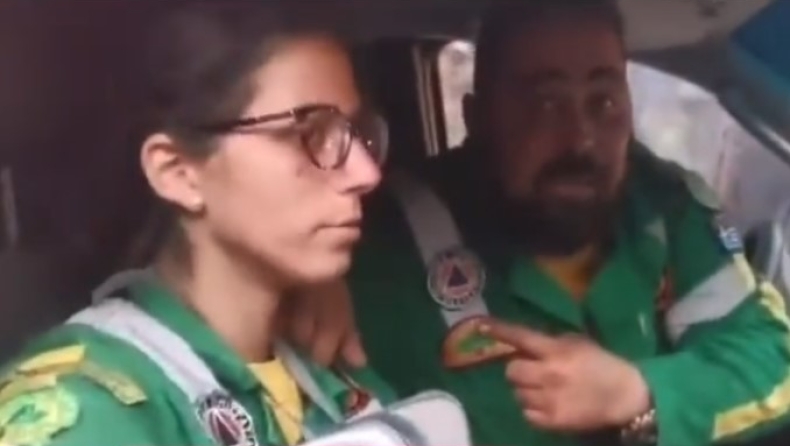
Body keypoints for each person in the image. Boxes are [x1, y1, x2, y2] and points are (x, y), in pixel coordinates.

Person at [289, 1, 790, 445]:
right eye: (545, 103)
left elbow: (773, 354)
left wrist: (638, 393)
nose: (581, 139)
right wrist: (306, 279)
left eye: (603, 102)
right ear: (478, 118)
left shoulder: (666, 208)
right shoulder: (379, 244)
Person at [0, 3, 394, 446]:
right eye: (309, 134)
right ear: (178, 173)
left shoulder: (330, 365)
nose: (366, 173)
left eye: (354, 131)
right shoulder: (86, 416)